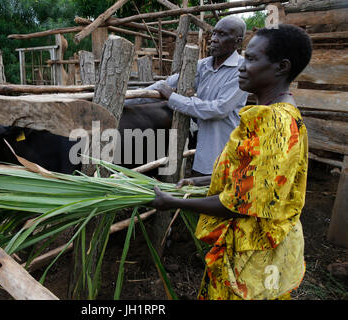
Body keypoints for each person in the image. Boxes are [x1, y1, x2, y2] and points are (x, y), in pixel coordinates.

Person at [150, 24, 313, 300]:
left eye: (251, 59)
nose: (241, 65)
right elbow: (254, 179)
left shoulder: (274, 123)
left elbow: (238, 205)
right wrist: (200, 181)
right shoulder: (277, 114)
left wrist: (173, 202)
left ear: (281, 67)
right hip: (255, 250)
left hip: (252, 256)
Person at [126, 16, 249, 176]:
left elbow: (219, 109)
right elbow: (165, 85)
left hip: (224, 152)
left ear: (238, 42)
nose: (213, 39)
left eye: (222, 35)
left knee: (216, 197)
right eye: (213, 34)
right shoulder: (202, 66)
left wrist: (172, 98)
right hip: (202, 153)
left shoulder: (241, 71)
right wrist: (127, 100)